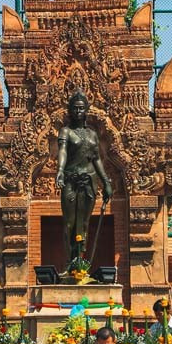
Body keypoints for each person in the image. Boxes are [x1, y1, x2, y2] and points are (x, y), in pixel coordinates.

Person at [56, 91, 113, 268]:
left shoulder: (92, 134)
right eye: (75, 108)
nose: (78, 111)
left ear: (86, 110)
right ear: (70, 111)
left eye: (81, 108)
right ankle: (71, 259)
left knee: (85, 223)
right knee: (69, 223)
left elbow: (96, 159)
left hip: (89, 180)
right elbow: (63, 151)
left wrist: (106, 182)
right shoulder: (66, 131)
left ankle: (81, 259)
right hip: (71, 179)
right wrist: (60, 170)